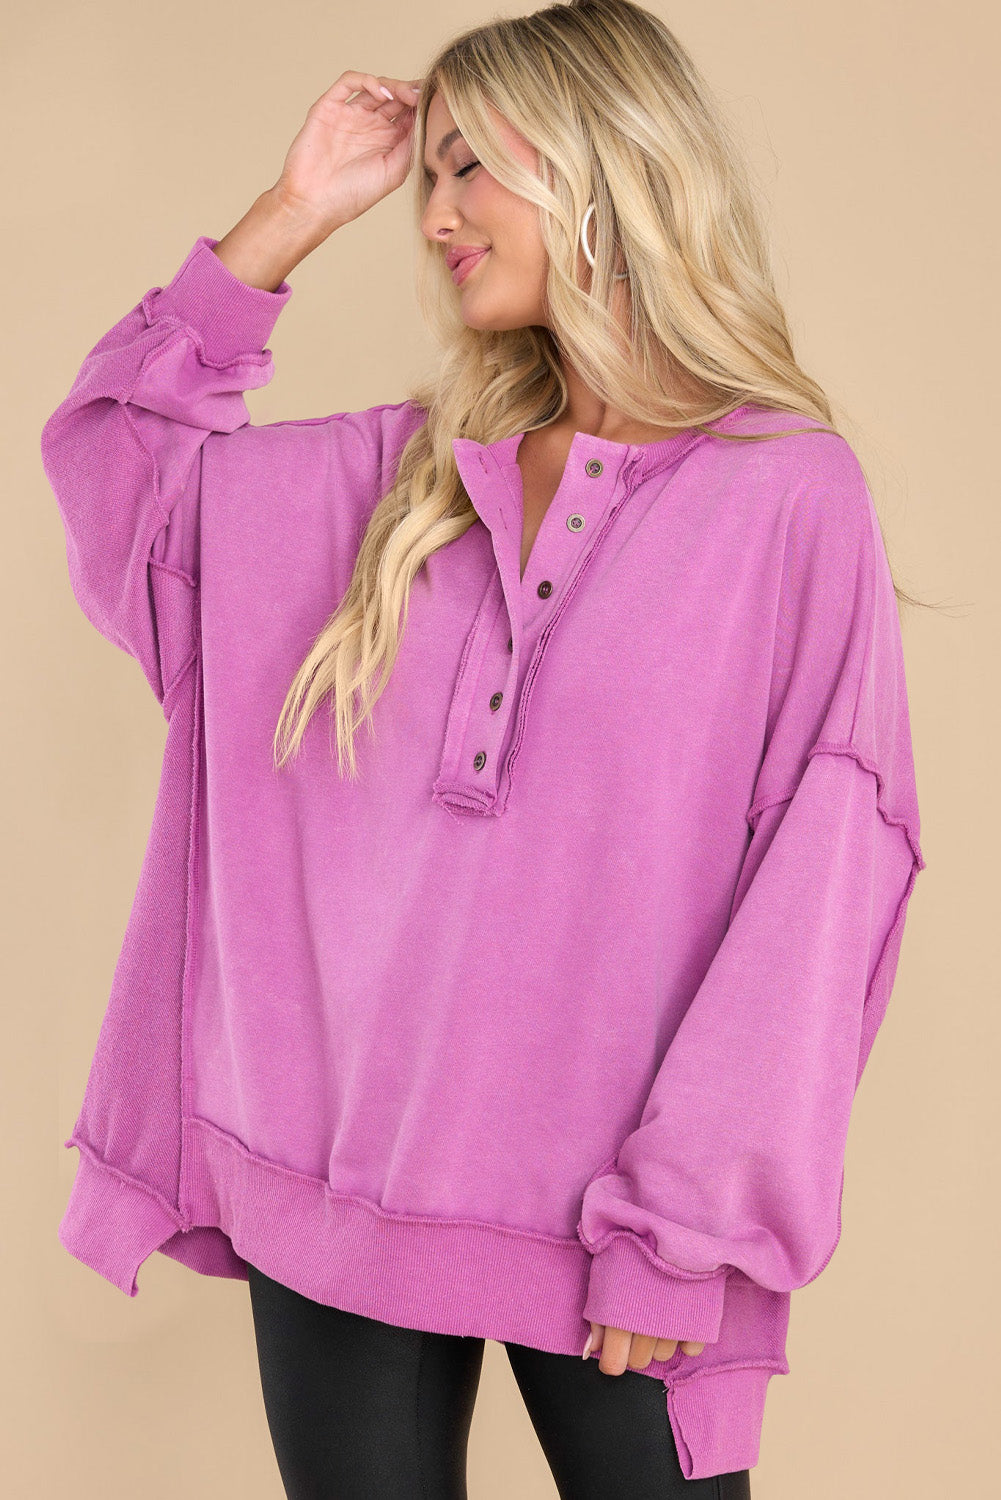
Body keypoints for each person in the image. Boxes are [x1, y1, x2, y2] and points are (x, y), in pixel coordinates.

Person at [42, 3, 926, 1496]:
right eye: (426, 176)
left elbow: (822, 881)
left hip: (626, 1230)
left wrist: (683, 1230)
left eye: (471, 170)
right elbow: (121, 475)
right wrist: (292, 211)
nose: (435, 215)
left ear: (603, 164)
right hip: (330, 1190)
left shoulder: (786, 494)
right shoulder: (398, 481)